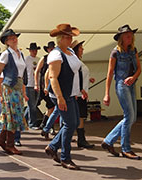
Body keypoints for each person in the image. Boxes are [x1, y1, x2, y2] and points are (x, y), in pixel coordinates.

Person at [44, 24, 86, 170]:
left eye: (71, 36)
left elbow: (75, 73)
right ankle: (65, 158)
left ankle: (53, 146)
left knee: (73, 123)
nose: (70, 39)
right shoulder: (55, 54)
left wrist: (79, 90)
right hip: (61, 93)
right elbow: (53, 78)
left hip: (70, 93)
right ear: (60, 39)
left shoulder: (69, 51)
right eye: (68, 36)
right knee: (69, 124)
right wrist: (60, 98)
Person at [102, 24, 141, 160]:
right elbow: (109, 73)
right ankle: (126, 149)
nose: (130, 37)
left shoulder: (133, 50)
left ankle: (108, 141)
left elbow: (139, 69)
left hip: (131, 85)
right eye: (127, 35)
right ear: (121, 38)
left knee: (131, 118)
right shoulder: (115, 52)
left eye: (131, 34)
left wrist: (133, 77)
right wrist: (106, 93)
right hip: (121, 85)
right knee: (129, 116)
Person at [0, 29, 28, 155]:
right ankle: (9, 145)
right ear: (7, 42)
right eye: (11, 38)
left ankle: (2, 139)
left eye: (15, 37)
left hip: (18, 86)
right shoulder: (6, 54)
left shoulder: (20, 54)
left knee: (12, 115)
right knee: (12, 116)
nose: (14, 39)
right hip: (9, 87)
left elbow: (21, 75)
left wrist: (23, 91)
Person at [71, 40, 95, 148]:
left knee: (80, 117)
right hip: (78, 94)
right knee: (78, 118)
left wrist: (88, 80)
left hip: (82, 93)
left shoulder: (79, 61)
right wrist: (80, 89)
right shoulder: (75, 61)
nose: (83, 49)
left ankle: (81, 139)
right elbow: (74, 78)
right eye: (81, 48)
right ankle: (81, 139)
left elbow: (80, 77)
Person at [35, 41, 57, 139]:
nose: (51, 50)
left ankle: (45, 125)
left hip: (52, 85)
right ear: (47, 50)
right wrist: (37, 84)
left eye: (53, 48)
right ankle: (46, 126)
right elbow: (37, 72)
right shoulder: (44, 58)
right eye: (50, 48)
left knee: (51, 108)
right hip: (45, 84)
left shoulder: (56, 58)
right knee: (51, 107)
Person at [24, 42, 41, 129]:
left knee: (33, 105)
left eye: (35, 50)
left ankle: (23, 120)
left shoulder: (39, 59)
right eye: (33, 50)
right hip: (29, 84)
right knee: (32, 105)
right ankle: (32, 124)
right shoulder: (26, 59)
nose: (34, 52)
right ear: (30, 51)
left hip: (37, 84)